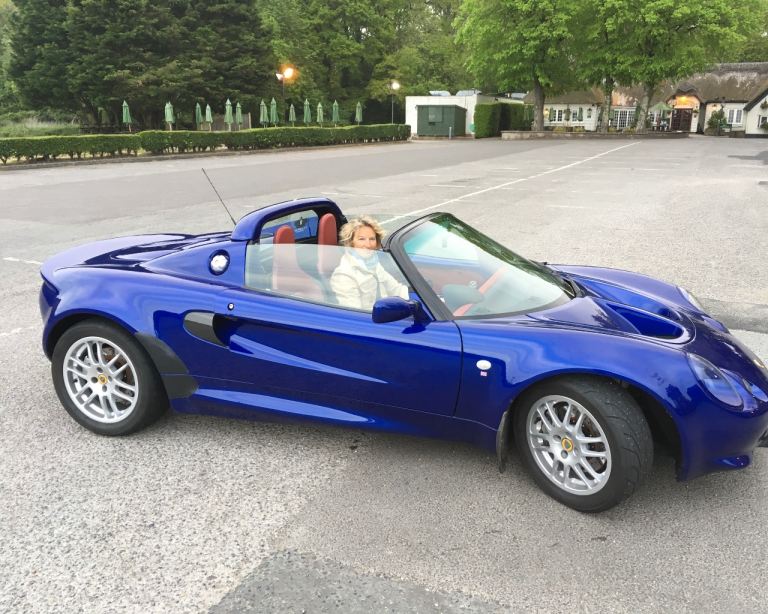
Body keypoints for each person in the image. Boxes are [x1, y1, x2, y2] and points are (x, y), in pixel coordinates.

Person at [330, 216, 409, 310]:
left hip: (386, 310)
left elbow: (396, 289)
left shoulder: (373, 262)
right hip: (373, 317)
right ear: (351, 242)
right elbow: (355, 313)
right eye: (361, 239)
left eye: (372, 239)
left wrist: (415, 300)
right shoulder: (344, 274)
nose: (368, 245)